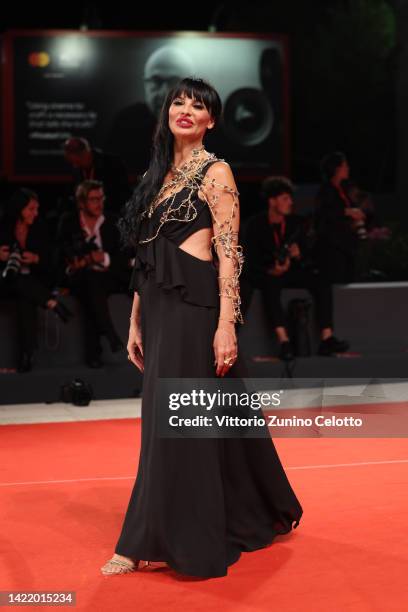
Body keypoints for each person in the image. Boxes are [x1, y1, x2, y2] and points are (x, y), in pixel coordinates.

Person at [100, 78, 303, 578]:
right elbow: (145, 262)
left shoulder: (217, 171)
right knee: (168, 425)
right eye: (179, 102)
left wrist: (226, 326)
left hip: (197, 313)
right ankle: (242, 505)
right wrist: (135, 322)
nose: (186, 109)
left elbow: (230, 254)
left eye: (198, 105)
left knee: (179, 428)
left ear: (211, 120)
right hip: (160, 314)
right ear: (167, 113)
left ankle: (147, 540)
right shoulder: (158, 177)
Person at [241, 176, 349, 360]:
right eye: (285, 198)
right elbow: (249, 258)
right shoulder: (255, 225)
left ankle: (327, 338)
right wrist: (270, 269)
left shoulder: (295, 223)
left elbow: (309, 255)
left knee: (321, 281)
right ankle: (284, 341)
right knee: (270, 285)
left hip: (290, 271)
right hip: (267, 274)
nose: (290, 202)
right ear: (272, 201)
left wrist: (298, 255)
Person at [56, 180, 131, 368]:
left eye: (101, 198)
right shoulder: (69, 221)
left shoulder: (113, 221)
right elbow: (59, 252)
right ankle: (110, 335)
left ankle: (97, 350)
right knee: (91, 285)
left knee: (93, 289)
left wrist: (102, 257)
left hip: (109, 276)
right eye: (93, 199)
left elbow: (126, 256)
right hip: (79, 277)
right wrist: (79, 260)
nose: (99, 203)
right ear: (81, 202)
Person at [0, 189, 73, 373]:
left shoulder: (39, 228)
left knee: (25, 298)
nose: (35, 213)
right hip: (4, 281)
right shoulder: (3, 227)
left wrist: (36, 259)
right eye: (31, 209)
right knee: (15, 280)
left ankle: (27, 356)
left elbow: (51, 261)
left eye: (37, 209)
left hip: (30, 283)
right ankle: (50, 301)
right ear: (19, 209)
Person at [105, 46, 194, 172]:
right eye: (156, 81)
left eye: (173, 81)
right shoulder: (125, 123)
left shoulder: (204, 125)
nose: (164, 93)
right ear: (145, 84)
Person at [314, 151, 366, 283]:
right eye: (345, 165)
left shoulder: (343, 189)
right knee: (337, 284)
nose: (348, 168)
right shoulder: (326, 189)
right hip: (333, 248)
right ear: (337, 169)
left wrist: (356, 218)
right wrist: (348, 212)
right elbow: (324, 213)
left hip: (346, 245)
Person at [63, 137, 131, 215]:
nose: (75, 165)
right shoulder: (78, 169)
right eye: (71, 162)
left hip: (111, 213)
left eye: (77, 161)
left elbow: (121, 194)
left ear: (86, 152)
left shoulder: (112, 164)